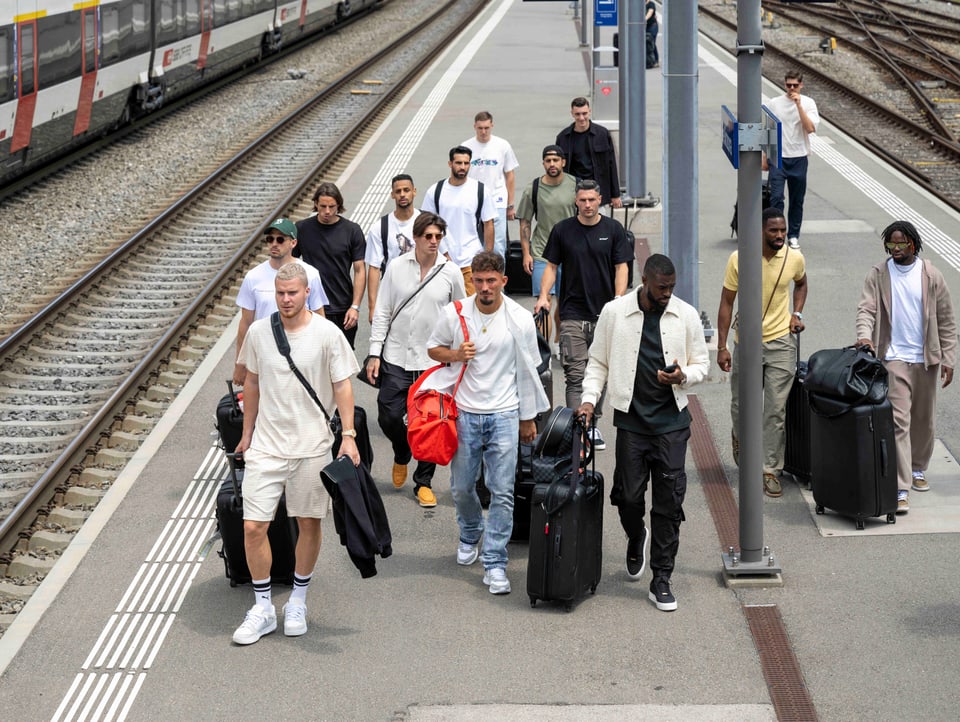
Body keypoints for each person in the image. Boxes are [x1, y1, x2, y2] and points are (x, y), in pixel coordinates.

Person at [232, 262, 361, 645]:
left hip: (312, 446)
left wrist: (349, 436)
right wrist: (246, 433)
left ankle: (298, 599)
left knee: (308, 523)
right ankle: (262, 607)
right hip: (267, 447)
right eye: (280, 293)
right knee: (253, 526)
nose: (286, 300)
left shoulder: (327, 334)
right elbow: (252, 382)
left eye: (292, 293)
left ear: (307, 293)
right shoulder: (258, 332)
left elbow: (343, 388)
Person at [577, 254, 709, 612]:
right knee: (629, 497)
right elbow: (598, 362)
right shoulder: (615, 312)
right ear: (645, 280)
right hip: (632, 424)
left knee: (669, 504)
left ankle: (661, 577)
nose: (668, 293)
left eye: (672, 287)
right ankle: (636, 535)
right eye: (661, 287)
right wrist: (589, 401)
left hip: (672, 425)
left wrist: (683, 377)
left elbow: (702, 363)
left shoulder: (686, 315)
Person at [426, 251, 549, 595]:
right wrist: (455, 355)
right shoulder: (455, 313)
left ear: (503, 282)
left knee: (502, 491)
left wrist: (527, 418)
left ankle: (495, 562)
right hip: (464, 412)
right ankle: (469, 533)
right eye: (478, 281)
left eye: (491, 281)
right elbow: (433, 349)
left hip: (505, 414)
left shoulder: (519, 319)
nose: (484, 287)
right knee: (462, 487)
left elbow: (527, 370)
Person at [855, 220, 956, 514]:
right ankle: (901, 487)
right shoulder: (878, 274)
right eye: (891, 245)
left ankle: (918, 468)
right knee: (899, 421)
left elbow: (947, 320)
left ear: (913, 244)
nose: (896, 249)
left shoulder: (931, 275)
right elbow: (867, 308)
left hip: (925, 359)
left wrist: (948, 358)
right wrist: (864, 335)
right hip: (893, 357)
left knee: (923, 419)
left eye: (901, 244)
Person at [366, 213, 466, 507]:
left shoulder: (451, 272)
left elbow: (461, 315)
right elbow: (383, 310)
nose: (434, 242)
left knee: (431, 422)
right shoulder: (397, 267)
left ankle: (423, 482)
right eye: (428, 236)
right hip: (396, 355)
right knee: (389, 415)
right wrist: (374, 352)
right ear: (417, 237)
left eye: (438, 237)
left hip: (433, 361)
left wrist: (457, 359)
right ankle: (401, 451)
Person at [534, 179, 633, 450]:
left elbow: (621, 267)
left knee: (598, 373)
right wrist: (544, 297)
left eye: (592, 200)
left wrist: (619, 300)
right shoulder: (563, 230)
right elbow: (551, 267)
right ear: (575, 201)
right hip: (572, 314)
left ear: (599, 199)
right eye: (582, 200)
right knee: (575, 374)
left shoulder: (613, 230)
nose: (587, 205)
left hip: (605, 315)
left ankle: (593, 425)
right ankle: (577, 430)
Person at [716, 207, 807, 498]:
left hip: (781, 342)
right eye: (774, 231)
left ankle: (770, 469)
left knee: (775, 410)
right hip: (747, 342)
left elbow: (802, 283)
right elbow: (727, 303)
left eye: (782, 230)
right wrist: (721, 346)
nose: (780, 235)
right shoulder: (739, 258)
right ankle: (740, 438)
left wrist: (797, 313)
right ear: (760, 231)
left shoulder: (794, 258)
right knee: (743, 405)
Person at [232, 218, 329, 387]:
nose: (274, 244)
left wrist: (325, 357)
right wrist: (240, 362)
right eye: (270, 239)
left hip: (301, 353)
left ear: (293, 242)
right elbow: (245, 323)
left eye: (280, 239)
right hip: (264, 354)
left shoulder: (310, 274)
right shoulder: (253, 277)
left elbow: (320, 317)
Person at [516, 144, 577, 353]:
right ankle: (544, 348)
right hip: (542, 252)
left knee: (564, 301)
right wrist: (526, 253)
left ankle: (560, 339)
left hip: (570, 254)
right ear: (543, 163)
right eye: (548, 160)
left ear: (563, 162)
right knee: (544, 301)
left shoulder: (575, 186)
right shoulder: (533, 188)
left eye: (555, 160)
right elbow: (525, 223)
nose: (552, 164)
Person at [294, 181, 366, 348]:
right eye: (323, 206)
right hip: (310, 307)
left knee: (341, 360)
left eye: (332, 207)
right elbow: (292, 265)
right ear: (315, 204)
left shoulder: (352, 230)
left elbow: (360, 270)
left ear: (338, 206)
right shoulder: (302, 228)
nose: (327, 211)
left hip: (343, 308)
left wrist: (355, 306)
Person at [422, 146, 497, 296]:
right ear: (450, 164)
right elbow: (426, 224)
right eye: (458, 163)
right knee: (442, 308)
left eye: (466, 163)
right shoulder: (435, 191)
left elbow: (488, 224)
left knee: (471, 309)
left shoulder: (480, 190)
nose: (462, 167)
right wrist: (443, 252)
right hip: (441, 261)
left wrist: (486, 257)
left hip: (471, 262)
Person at [765, 72, 819, 249]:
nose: (791, 89)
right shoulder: (774, 103)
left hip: (799, 157)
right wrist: (764, 156)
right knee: (777, 197)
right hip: (778, 157)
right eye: (788, 85)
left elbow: (810, 128)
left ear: (801, 85)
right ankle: (775, 233)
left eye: (795, 85)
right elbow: (767, 130)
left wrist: (798, 105)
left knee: (797, 199)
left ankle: (794, 235)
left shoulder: (808, 103)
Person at [461, 111, 519, 260]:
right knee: (473, 243)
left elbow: (510, 175)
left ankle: (499, 281)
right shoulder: (466, 147)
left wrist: (510, 205)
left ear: (492, 125)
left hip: (496, 200)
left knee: (498, 245)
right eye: (480, 128)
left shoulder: (502, 145)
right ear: (474, 126)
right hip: (473, 201)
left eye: (486, 128)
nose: (483, 132)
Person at [364, 174, 421, 322]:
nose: (402, 194)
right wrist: (372, 308)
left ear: (414, 191)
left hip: (422, 291)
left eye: (406, 190)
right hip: (392, 294)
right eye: (398, 191)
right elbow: (374, 269)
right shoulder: (380, 227)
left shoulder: (425, 221)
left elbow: (442, 258)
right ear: (392, 195)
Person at [555, 97, 622, 211]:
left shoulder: (602, 134)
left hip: (597, 193)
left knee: (598, 227)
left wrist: (615, 194)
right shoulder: (563, 138)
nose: (581, 118)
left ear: (590, 111)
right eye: (577, 114)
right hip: (572, 195)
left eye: (584, 113)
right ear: (572, 114)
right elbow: (557, 168)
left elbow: (611, 165)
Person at [645, 1, 659, 69]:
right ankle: (648, 60)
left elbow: (650, 13)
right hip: (644, 26)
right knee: (647, 43)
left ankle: (656, 61)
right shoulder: (640, 5)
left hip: (652, 26)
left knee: (652, 42)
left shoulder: (651, 4)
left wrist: (644, 19)